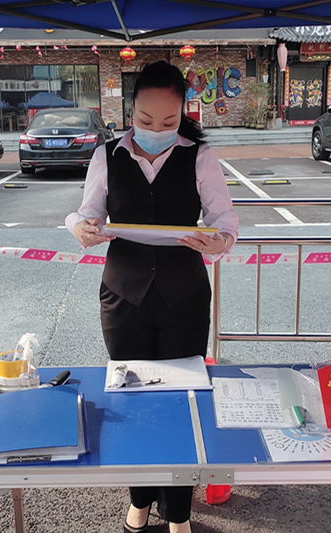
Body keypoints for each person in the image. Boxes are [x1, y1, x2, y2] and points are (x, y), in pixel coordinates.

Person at [65, 60, 239, 533]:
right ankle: (140, 500)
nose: (157, 130)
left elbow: (224, 220)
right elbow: (85, 213)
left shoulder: (200, 157)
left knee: (182, 401)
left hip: (185, 297)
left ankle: (178, 512)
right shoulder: (107, 156)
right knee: (133, 401)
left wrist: (220, 241)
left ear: (184, 114)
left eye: (169, 122)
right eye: (146, 120)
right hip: (124, 297)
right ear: (131, 111)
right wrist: (80, 229)